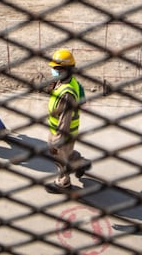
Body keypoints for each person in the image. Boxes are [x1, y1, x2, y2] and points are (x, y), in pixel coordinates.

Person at [45, 49, 91, 194]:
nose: (53, 70)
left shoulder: (67, 94)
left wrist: (57, 142)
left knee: (59, 157)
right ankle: (80, 163)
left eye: (56, 68)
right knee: (67, 154)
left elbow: (64, 121)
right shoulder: (68, 81)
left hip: (63, 132)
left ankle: (63, 184)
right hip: (60, 130)